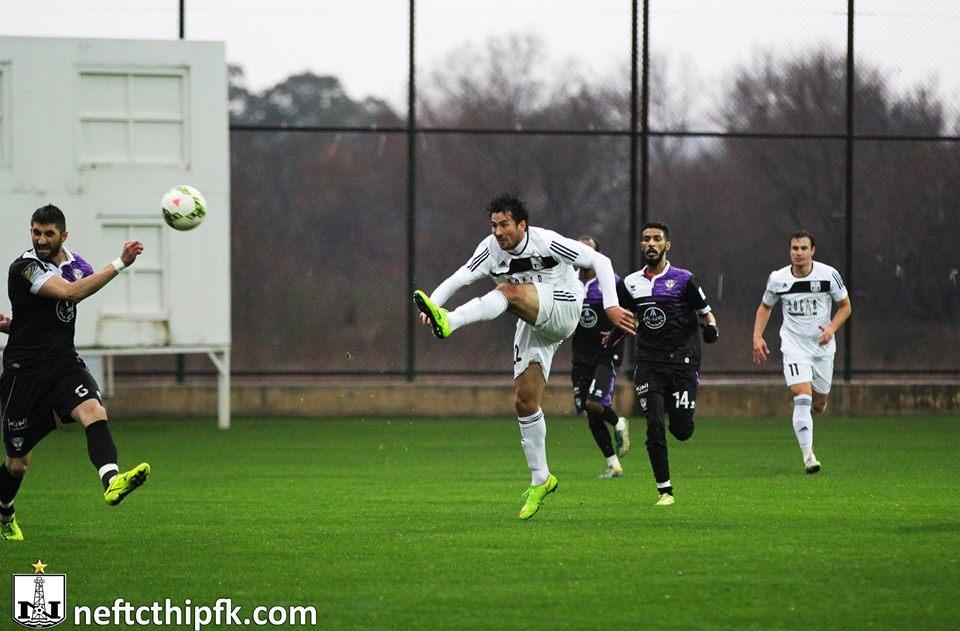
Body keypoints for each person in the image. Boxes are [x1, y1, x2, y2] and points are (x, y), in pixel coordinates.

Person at [413, 193, 636, 520]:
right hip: (534, 319)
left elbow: (600, 262)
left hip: (564, 306)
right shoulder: (490, 249)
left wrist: (611, 306)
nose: (498, 232)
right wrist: (433, 304)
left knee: (506, 292)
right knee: (525, 400)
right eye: (493, 225)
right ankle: (541, 479)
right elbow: (461, 277)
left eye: (504, 225)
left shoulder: (547, 242)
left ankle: (451, 322)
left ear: (522, 225)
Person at [0, 204, 151, 542]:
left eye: (48, 233)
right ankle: (5, 511)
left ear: (63, 235)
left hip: (63, 364)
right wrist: (120, 263)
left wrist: (16, 325)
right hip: (24, 373)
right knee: (18, 463)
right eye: (36, 232)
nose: (41, 239)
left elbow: (59, 309)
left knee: (94, 411)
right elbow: (70, 293)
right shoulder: (24, 267)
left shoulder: (78, 266)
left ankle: (111, 480)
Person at [608, 222, 718, 506]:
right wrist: (613, 335)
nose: (651, 243)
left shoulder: (684, 280)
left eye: (657, 239)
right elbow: (627, 317)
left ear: (667, 245)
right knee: (654, 423)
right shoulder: (630, 283)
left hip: (683, 362)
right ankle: (665, 490)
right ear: (641, 245)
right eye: (646, 239)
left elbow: (705, 313)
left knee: (681, 431)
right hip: (649, 362)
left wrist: (711, 328)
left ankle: (678, 400)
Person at [752, 230, 851, 474]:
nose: (799, 253)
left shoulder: (828, 275)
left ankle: (819, 403)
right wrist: (757, 337)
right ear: (790, 251)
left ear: (812, 251)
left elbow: (845, 306)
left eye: (803, 248)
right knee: (802, 395)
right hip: (794, 346)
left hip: (822, 347)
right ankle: (809, 456)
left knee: (818, 404)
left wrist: (831, 329)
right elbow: (765, 307)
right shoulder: (778, 278)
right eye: (795, 248)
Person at [571, 236, 630, 478]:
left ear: (597, 256)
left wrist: (617, 332)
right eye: (578, 250)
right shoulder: (569, 282)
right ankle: (613, 465)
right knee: (590, 412)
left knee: (594, 403)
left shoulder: (611, 281)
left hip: (607, 352)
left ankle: (618, 423)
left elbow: (630, 313)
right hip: (581, 355)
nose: (583, 254)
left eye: (588, 250)